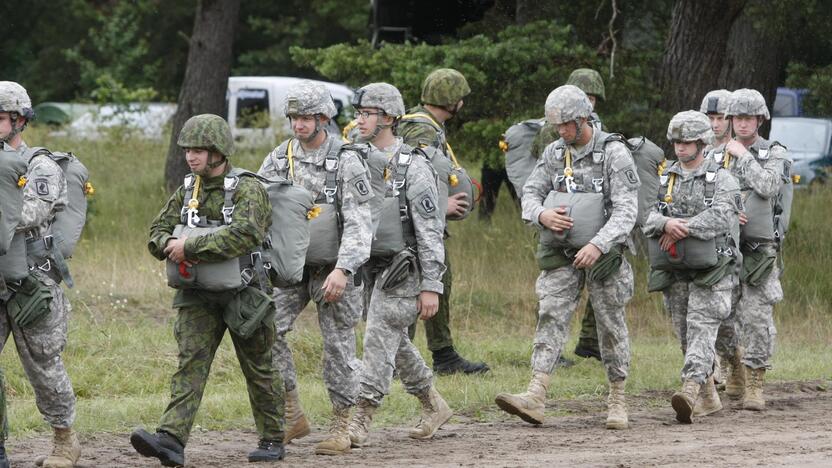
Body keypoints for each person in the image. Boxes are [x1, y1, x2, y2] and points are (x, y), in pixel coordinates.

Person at [131, 114, 285, 465]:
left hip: (245, 294)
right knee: (190, 364)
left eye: (199, 150)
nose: (191, 157)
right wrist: (169, 242)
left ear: (219, 152)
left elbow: (245, 234)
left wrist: (190, 248)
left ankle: (273, 438)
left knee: (259, 367)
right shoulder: (188, 189)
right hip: (196, 293)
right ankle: (170, 439)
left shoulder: (249, 189)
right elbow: (156, 230)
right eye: (187, 150)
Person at [494, 85, 638, 430]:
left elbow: (626, 210)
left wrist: (599, 244)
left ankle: (617, 398)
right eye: (555, 125)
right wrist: (542, 215)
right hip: (561, 251)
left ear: (582, 119)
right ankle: (536, 394)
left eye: (565, 125)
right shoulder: (555, 153)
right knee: (551, 314)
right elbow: (530, 192)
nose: (559, 131)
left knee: (610, 324)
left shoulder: (614, 153)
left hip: (604, 255)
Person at [257, 80, 374, 454]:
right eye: (294, 117)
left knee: (338, 347)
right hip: (289, 268)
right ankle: (292, 412)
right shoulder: (278, 158)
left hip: (334, 269)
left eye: (307, 117)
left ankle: (342, 423)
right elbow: (260, 208)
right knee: (266, 328)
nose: (299, 124)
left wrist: (344, 269)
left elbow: (360, 222)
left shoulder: (345, 159)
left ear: (323, 117)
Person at [345, 82, 452, 446]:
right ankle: (432, 402)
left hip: (403, 269)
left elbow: (430, 231)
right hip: (366, 269)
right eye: (358, 113)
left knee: (378, 332)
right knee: (392, 338)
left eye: (367, 114)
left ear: (388, 118)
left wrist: (431, 285)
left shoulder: (414, 166)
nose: (359, 120)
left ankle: (361, 414)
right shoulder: (352, 158)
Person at [0, 81, 80, 468]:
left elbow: (31, 212)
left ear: (19, 120)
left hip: (33, 282)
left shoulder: (41, 165)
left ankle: (65, 440)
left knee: (43, 366)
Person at [643, 110, 741, 424]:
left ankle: (689, 389)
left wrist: (682, 226)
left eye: (687, 142)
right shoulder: (664, 177)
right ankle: (709, 396)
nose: (681, 148)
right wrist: (666, 222)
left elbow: (722, 216)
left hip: (714, 270)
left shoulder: (721, 178)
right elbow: (645, 215)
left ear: (701, 143)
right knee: (684, 332)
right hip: (676, 269)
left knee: (701, 327)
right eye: (676, 142)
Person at [398, 68, 489, 375]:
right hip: (414, 224)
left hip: (422, 220)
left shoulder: (425, 125)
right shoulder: (421, 131)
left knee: (438, 281)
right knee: (416, 285)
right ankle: (404, 359)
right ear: (453, 101)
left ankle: (441, 354)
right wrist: (441, 205)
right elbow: (412, 177)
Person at [530, 68, 608, 363]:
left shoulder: (601, 135)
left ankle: (589, 341)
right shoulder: (552, 134)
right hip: (557, 223)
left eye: (592, 98)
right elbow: (539, 177)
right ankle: (550, 358)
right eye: (583, 95)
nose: (588, 101)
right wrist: (542, 213)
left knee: (602, 295)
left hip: (595, 233)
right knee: (552, 298)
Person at [722, 89, 791, 411]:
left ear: (760, 120)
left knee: (757, 318)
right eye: (738, 118)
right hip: (723, 250)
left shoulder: (774, 153)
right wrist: (726, 211)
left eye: (749, 118)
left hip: (759, 251)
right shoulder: (715, 154)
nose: (743, 124)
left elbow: (768, 186)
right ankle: (732, 365)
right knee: (719, 316)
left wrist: (743, 156)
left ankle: (755, 381)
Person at [699, 89, 744, 396]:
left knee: (728, 309)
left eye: (720, 118)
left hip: (737, 238)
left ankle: (734, 361)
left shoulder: (741, 153)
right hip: (703, 237)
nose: (715, 124)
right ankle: (714, 363)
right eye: (710, 118)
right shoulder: (698, 151)